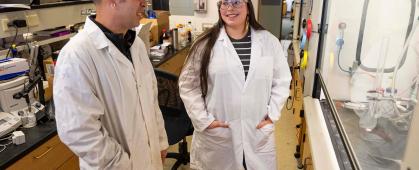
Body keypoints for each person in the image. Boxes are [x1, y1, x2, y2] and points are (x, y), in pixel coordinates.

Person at [53, 0, 168, 169]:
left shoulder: (135, 44)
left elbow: (151, 99)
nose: (145, 3)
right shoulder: (76, 55)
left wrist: (159, 142)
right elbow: (79, 132)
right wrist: (121, 164)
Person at [178, 0, 291, 169]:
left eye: (236, 2)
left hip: (257, 130)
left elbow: (282, 81)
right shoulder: (204, 44)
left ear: (247, 6)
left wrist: (272, 114)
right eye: (224, 3)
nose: (230, 8)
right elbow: (188, 86)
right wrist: (204, 120)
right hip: (219, 134)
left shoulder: (269, 42)